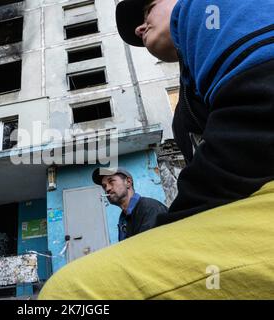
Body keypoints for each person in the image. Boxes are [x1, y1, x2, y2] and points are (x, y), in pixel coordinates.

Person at [38, 0, 274, 299]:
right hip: (244, 215)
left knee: (68, 293)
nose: (140, 27)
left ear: (131, 182)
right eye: (105, 183)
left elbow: (261, 112)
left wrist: (181, 223)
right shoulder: (194, 80)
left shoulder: (205, 8)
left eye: (148, 8)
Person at [92, 167, 167, 240]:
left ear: (128, 182)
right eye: (104, 186)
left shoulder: (150, 208)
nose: (107, 189)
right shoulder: (123, 219)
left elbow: (148, 248)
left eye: (111, 181)